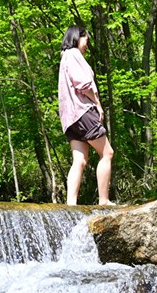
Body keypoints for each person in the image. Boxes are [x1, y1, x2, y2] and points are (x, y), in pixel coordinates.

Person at [58, 25, 115, 206]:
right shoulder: (73, 54)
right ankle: (104, 200)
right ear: (77, 37)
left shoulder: (64, 58)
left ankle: (71, 204)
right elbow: (83, 84)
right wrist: (98, 104)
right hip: (82, 111)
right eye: (86, 41)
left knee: (79, 160)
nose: (87, 46)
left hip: (69, 118)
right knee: (107, 153)